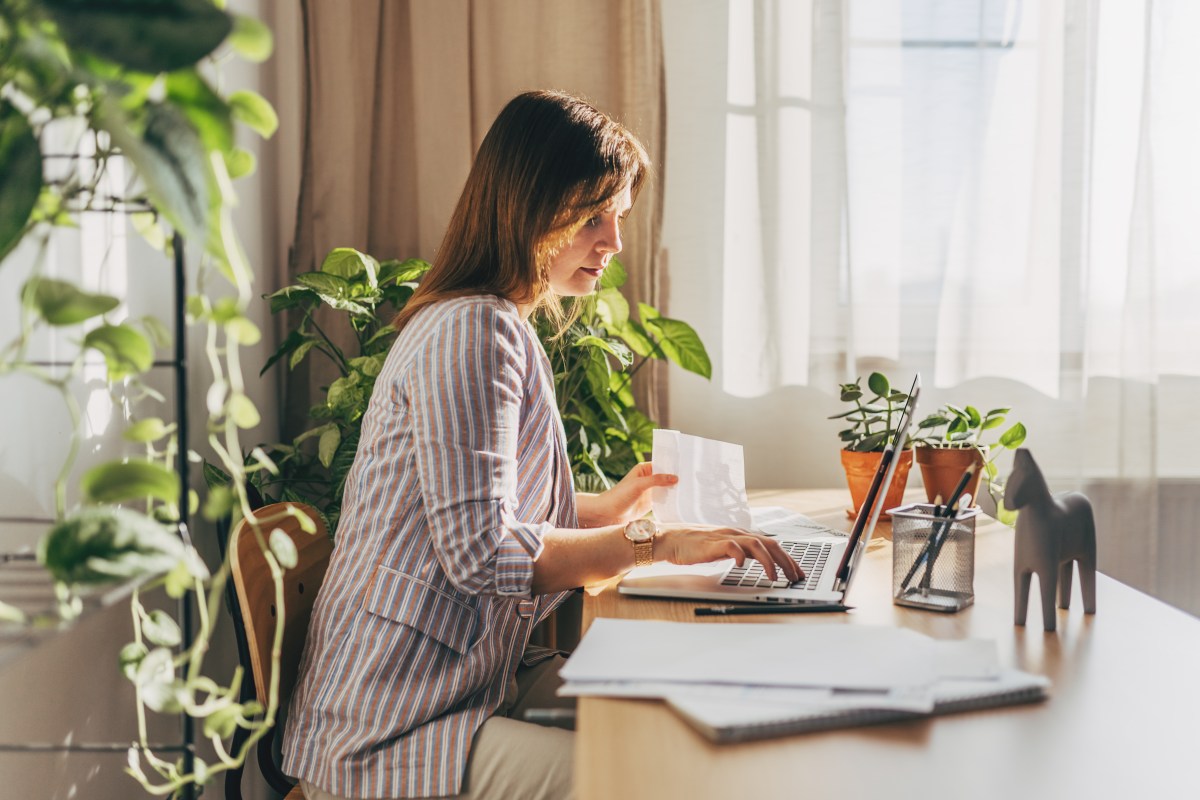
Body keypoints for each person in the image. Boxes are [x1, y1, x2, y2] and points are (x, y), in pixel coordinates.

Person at [282, 90, 802, 800]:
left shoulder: (482, 322)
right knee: (656, 775)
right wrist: (652, 542)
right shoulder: (473, 332)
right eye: (594, 216)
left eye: (616, 217)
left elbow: (471, 506)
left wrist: (604, 509)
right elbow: (481, 552)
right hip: (393, 727)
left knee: (679, 708)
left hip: (455, 686)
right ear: (530, 207)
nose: (614, 243)